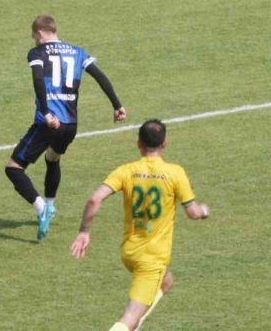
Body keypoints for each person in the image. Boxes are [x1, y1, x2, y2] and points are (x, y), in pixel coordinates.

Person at [70, 119, 211, 331]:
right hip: (151, 259)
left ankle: (134, 326)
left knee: (166, 282)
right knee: (129, 316)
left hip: (129, 252)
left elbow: (94, 200)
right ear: (165, 144)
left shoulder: (126, 171)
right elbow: (193, 212)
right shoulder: (175, 173)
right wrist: (204, 211)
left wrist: (84, 232)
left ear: (139, 144)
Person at [5, 14, 127, 241]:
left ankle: (42, 207)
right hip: (70, 124)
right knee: (52, 158)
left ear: (40, 33)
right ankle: (50, 205)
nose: (34, 40)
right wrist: (117, 105)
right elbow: (100, 76)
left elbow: (38, 80)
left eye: (34, 36)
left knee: (13, 169)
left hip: (49, 122)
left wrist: (46, 113)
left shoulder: (37, 53)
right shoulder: (77, 52)